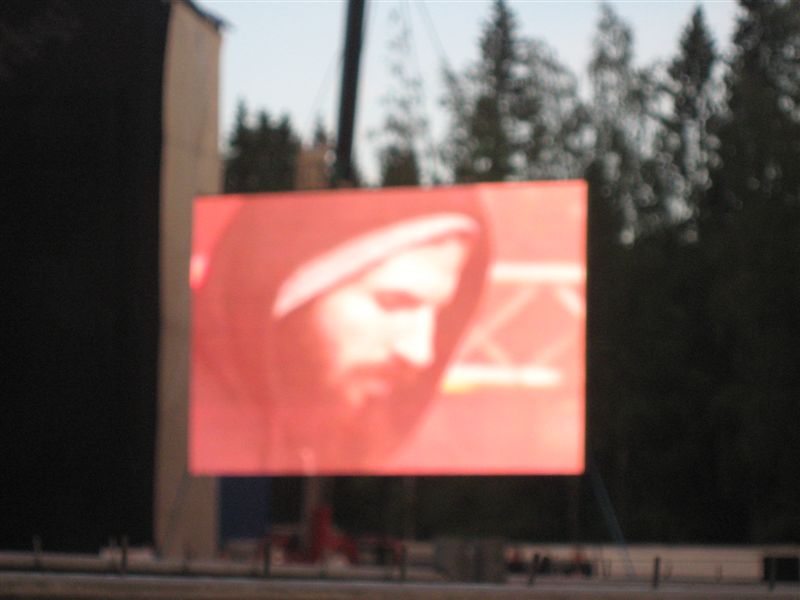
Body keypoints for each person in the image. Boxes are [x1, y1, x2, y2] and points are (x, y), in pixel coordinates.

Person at [190, 188, 491, 475]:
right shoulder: (186, 429)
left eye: (441, 315)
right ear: (291, 294)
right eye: (393, 302)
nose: (420, 352)